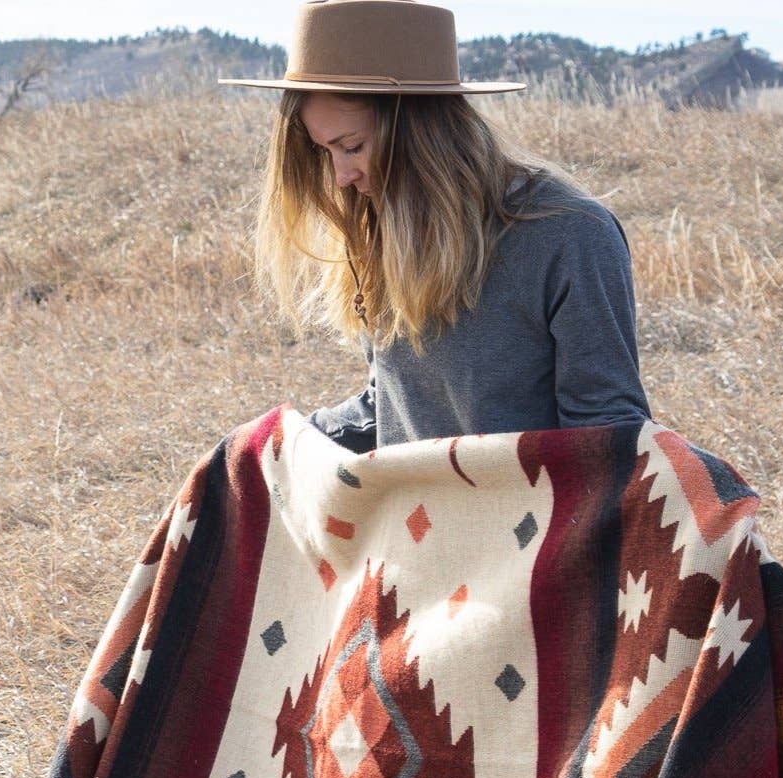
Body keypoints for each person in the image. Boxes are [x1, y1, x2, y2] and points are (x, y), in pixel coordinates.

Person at [219, 0, 652, 453]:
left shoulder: (570, 235)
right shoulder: (387, 222)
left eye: (352, 146)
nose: (340, 177)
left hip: (530, 521)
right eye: (324, 152)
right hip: (408, 521)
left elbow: (609, 435)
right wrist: (279, 446)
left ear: (421, 130)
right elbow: (391, 404)